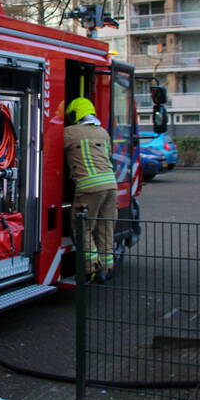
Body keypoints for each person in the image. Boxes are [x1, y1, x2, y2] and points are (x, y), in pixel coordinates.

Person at [63, 97, 118, 283]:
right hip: (111, 185)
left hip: (89, 187)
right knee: (105, 227)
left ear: (74, 114)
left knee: (82, 227)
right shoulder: (103, 132)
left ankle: (92, 269)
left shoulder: (69, 133)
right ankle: (108, 267)